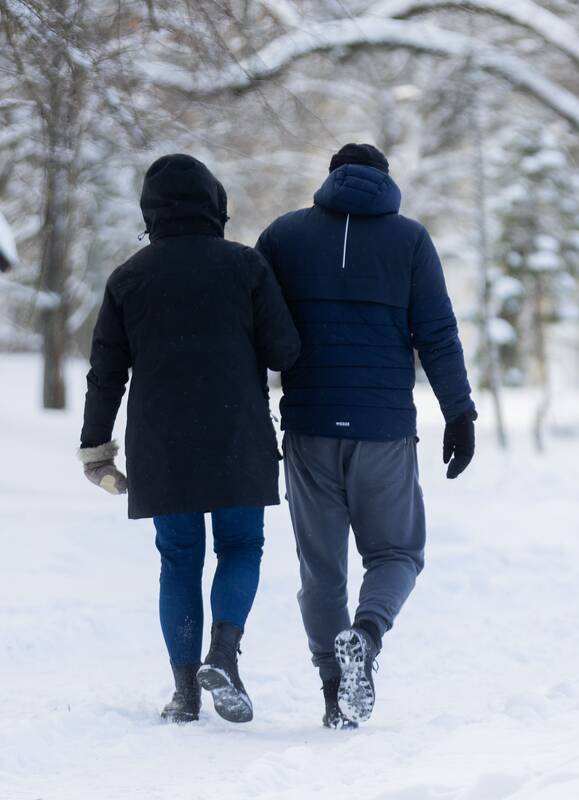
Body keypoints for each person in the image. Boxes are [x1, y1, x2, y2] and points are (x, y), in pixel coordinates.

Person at [255, 143, 476, 730]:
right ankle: (368, 636)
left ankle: (334, 691)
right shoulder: (410, 240)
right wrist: (460, 412)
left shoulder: (283, 236)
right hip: (382, 428)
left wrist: (251, 410)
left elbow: (251, 327)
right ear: (386, 181)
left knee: (321, 568)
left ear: (330, 179)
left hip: (309, 424)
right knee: (397, 551)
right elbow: (437, 332)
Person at [78, 153, 300, 725]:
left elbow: (107, 373)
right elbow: (285, 352)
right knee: (240, 547)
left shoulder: (128, 277)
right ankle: (223, 654)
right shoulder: (246, 267)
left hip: (162, 442)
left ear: (151, 212)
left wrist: (96, 448)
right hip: (236, 434)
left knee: (178, 559)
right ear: (215, 205)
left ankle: (184, 693)